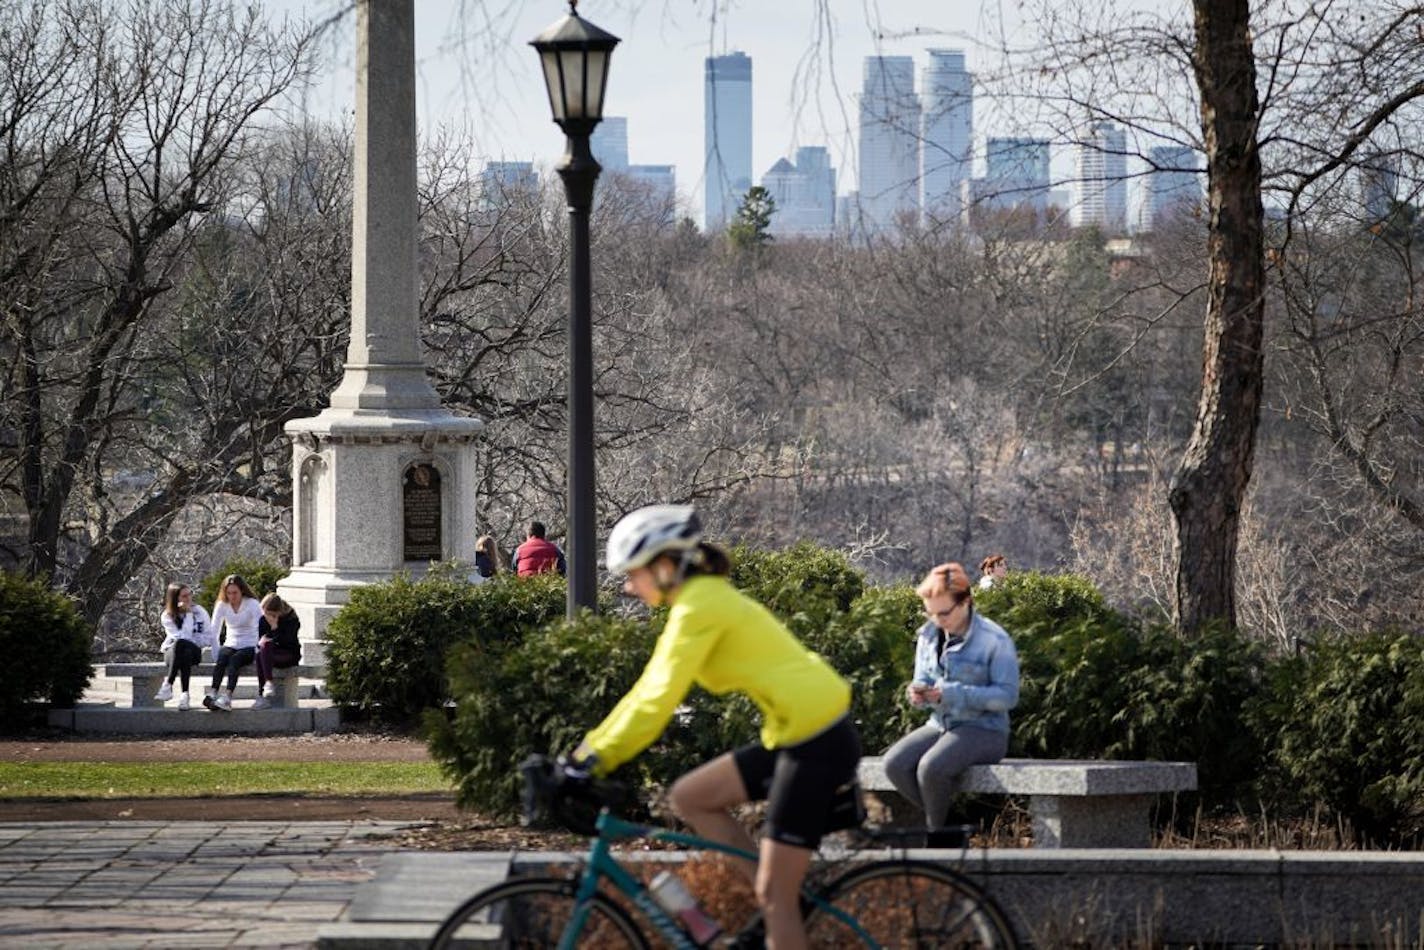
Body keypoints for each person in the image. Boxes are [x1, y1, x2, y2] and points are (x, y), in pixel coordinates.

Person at [567, 505, 860, 950]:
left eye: (633, 573)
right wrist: (590, 751)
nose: (628, 586)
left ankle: (778, 898)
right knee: (691, 797)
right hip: (795, 734)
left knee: (776, 896)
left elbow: (655, 697)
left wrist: (591, 757)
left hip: (817, 743)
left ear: (665, 566)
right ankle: (777, 894)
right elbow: (651, 688)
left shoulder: (699, 607)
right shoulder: (697, 601)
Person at [883, 562, 1019, 846]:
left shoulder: (994, 639)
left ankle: (939, 841)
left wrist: (952, 694)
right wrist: (918, 695)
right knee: (894, 764)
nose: (937, 620)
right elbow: (922, 678)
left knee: (930, 767)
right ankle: (952, 827)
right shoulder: (928, 635)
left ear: (966, 602)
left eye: (943, 612)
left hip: (985, 730)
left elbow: (1007, 696)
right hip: (940, 724)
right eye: (930, 612)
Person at [204, 574, 262, 711]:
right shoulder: (222, 605)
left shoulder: (252, 604)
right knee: (222, 658)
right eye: (229, 593)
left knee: (235, 661)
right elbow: (215, 630)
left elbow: (261, 627)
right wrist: (215, 652)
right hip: (231, 642)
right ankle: (213, 692)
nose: (232, 596)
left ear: (242, 590)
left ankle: (228, 696)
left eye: (235, 592)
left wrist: (258, 650)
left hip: (249, 644)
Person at [156, 583, 214, 711]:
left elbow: (208, 636)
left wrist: (188, 613)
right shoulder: (167, 615)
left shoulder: (200, 611)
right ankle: (184, 696)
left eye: (190, 594)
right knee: (181, 647)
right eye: (184, 596)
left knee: (183, 646)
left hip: (195, 651)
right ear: (176, 598)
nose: (188, 598)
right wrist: (187, 614)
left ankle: (168, 685)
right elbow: (182, 638)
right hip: (171, 653)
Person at [252, 593, 301, 710]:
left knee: (265, 647)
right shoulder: (263, 619)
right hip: (269, 653)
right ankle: (263, 692)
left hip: (288, 654)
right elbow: (260, 639)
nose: (268, 616)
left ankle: (266, 686)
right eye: (266, 613)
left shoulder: (291, 619)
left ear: (279, 612)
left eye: (272, 614)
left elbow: (288, 641)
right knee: (260, 653)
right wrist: (264, 640)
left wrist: (274, 628)